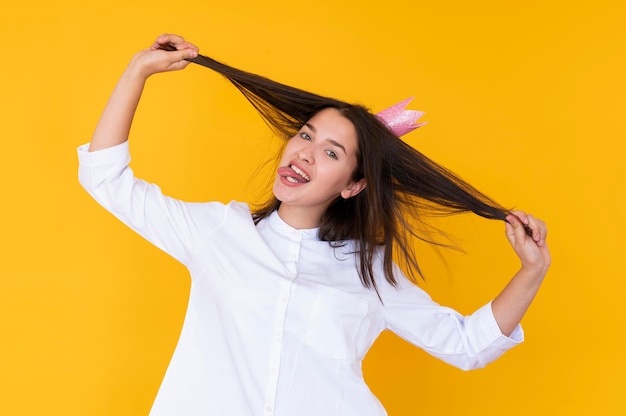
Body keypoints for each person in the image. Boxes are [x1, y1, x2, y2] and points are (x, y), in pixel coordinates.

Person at [78, 34, 550, 416]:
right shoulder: (219, 231)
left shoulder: (370, 271)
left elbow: (466, 345)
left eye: (330, 152)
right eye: (305, 135)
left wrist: (531, 271)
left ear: (353, 186)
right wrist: (138, 71)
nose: (304, 152)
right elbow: (106, 180)